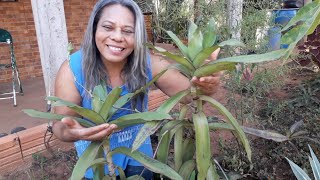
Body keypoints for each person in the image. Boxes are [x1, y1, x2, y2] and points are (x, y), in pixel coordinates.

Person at [52, 0, 220, 179]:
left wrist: (206, 84)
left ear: (138, 36)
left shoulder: (147, 63)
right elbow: (60, 125)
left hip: (139, 158)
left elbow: (190, 94)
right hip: (95, 164)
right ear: (94, 29)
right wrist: (71, 133)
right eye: (108, 27)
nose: (117, 37)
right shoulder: (72, 70)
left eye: (128, 31)